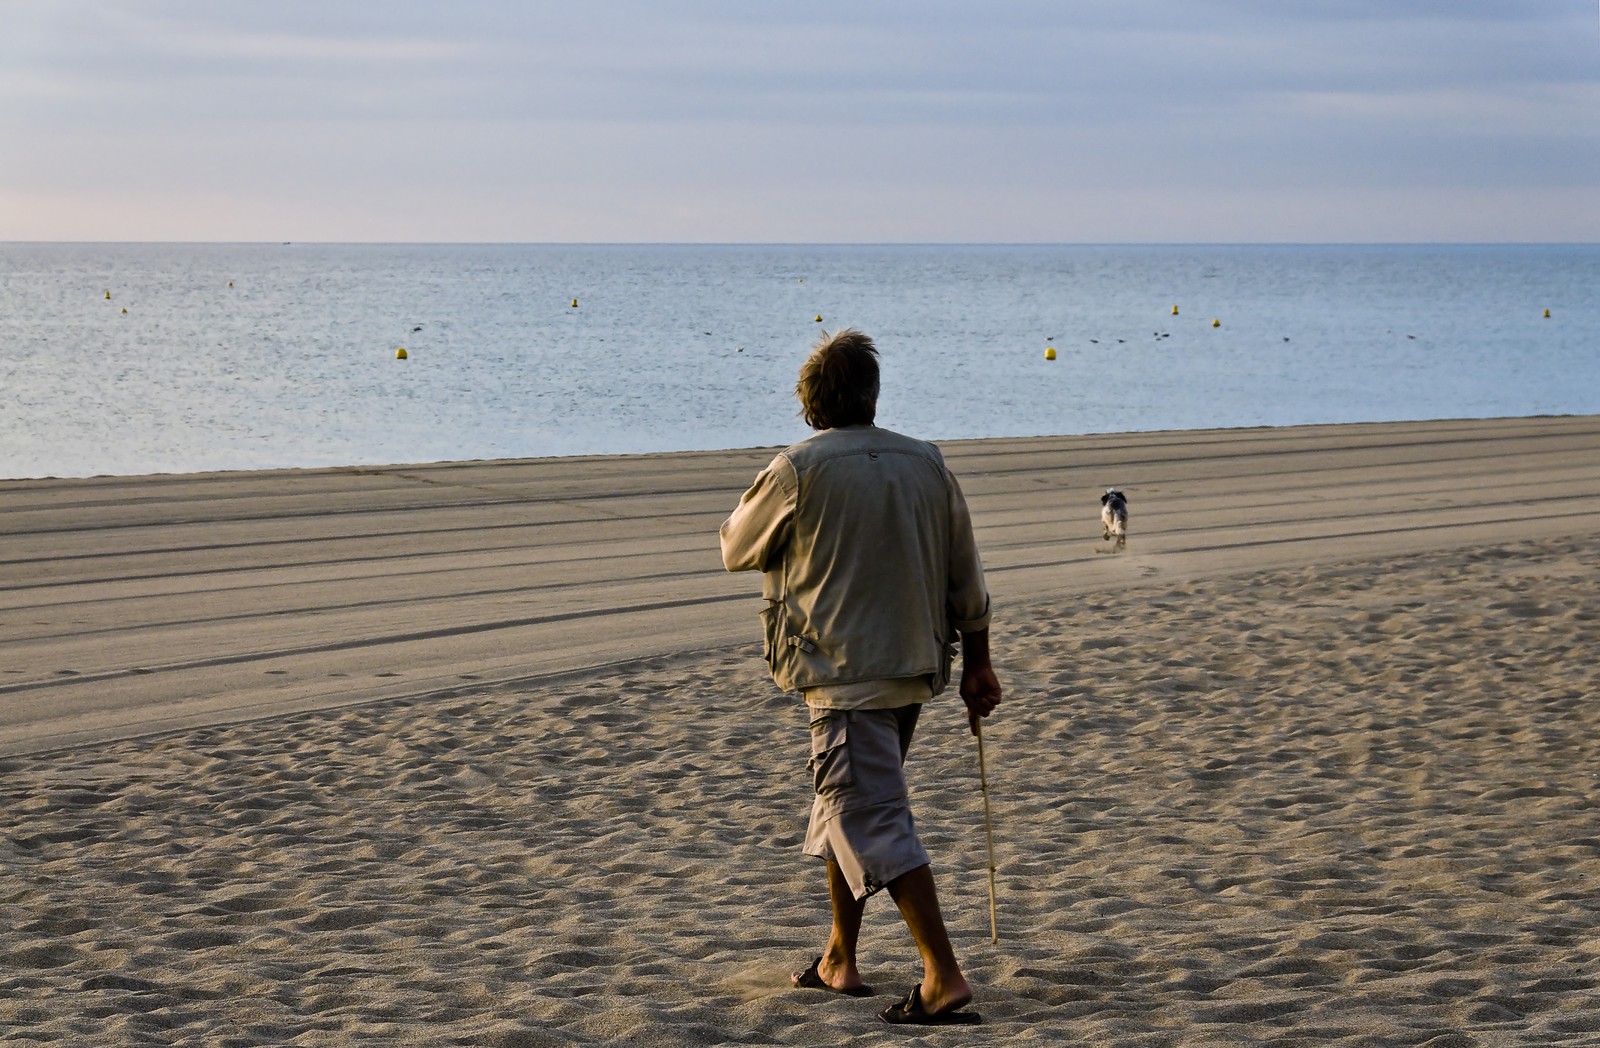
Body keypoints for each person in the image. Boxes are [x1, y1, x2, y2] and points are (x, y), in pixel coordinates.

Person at [719, 328, 1002, 1026]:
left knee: (866, 815)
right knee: (844, 806)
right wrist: (979, 660)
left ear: (811, 405)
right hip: (914, 664)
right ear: (872, 396)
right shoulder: (926, 462)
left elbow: (736, 548)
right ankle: (838, 959)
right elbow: (965, 570)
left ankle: (942, 977)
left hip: (843, 671)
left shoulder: (796, 468)